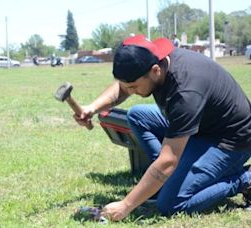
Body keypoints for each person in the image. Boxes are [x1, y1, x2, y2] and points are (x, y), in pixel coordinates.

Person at [74, 34, 251, 221]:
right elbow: (123, 87)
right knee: (137, 116)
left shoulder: (185, 93)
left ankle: (243, 179)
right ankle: (164, 180)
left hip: (230, 139)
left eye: (134, 87)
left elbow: (168, 160)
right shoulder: (154, 58)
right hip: (199, 124)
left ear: (155, 71)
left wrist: (126, 205)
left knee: (171, 204)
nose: (130, 91)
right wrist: (92, 108)